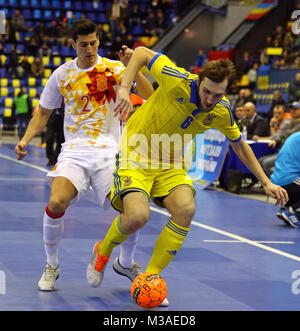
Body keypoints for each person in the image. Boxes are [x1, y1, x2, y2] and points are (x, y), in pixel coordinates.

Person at [86, 46, 288, 302]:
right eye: (206, 92)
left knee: (186, 209)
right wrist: (125, 88)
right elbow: (140, 53)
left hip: (170, 164)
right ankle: (102, 252)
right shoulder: (177, 77)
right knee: (137, 216)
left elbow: (239, 144)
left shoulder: (221, 110)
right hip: (136, 153)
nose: (209, 100)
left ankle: (150, 278)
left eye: (218, 94)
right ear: (199, 80)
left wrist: (266, 181)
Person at [14, 19, 154, 293]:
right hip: (75, 151)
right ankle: (52, 264)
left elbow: (151, 97)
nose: (89, 49)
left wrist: (134, 69)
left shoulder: (115, 69)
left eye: (93, 43)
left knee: (132, 212)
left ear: (98, 41)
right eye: (83, 44)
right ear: (73, 44)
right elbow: (43, 112)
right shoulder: (62, 75)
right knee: (56, 202)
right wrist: (25, 139)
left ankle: (125, 262)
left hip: (111, 152)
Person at [258, 101, 300, 177]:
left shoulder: (291, 122)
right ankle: (269, 183)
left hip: (292, 154)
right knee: (261, 160)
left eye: (296, 109)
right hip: (283, 150)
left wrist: (274, 136)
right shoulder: (288, 121)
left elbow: (285, 135)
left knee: (266, 163)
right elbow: (277, 136)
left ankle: (276, 183)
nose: (293, 111)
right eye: (291, 109)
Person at [272, 132, 300, 228]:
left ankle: (286, 207)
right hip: (288, 181)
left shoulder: (295, 135)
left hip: (276, 182)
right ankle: (293, 210)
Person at [45, 102, 65, 167]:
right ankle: (50, 157)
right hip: (51, 120)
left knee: (60, 141)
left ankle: (56, 159)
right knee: (49, 139)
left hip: (62, 120)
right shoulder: (52, 94)